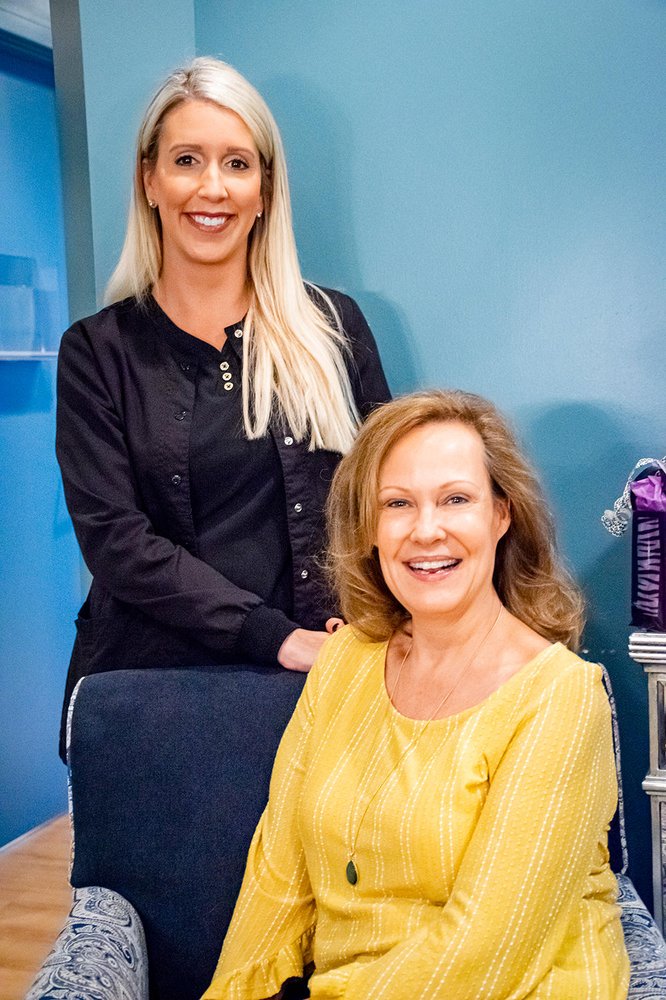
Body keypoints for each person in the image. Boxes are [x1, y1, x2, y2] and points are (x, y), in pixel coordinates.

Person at [203, 390, 629, 999]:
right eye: (397, 503)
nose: (426, 531)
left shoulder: (560, 696)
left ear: (501, 515)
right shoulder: (345, 659)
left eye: (456, 499)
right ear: (370, 529)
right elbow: (279, 870)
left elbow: (485, 948)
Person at [55, 57, 390, 760]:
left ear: (264, 189)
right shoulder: (97, 352)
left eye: (237, 163)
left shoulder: (334, 327)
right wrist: (275, 636)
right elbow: (117, 543)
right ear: (149, 180)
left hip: (321, 687)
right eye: (187, 160)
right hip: (157, 699)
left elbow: (387, 497)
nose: (213, 187)